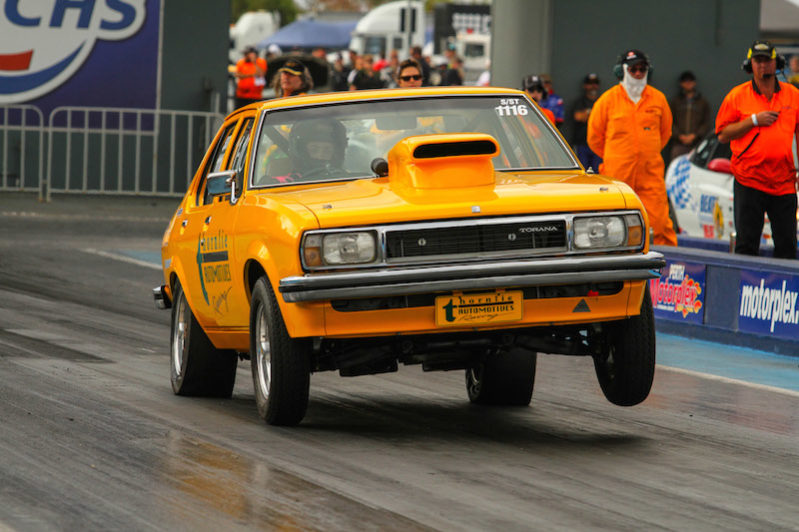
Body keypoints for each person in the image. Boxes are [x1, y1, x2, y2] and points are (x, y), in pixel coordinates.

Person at [716, 40, 799, 259]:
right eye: (758, 61)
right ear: (750, 65)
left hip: (784, 182)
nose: (763, 66)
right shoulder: (737, 96)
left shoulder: (793, 95)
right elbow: (723, 134)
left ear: (776, 63)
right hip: (749, 179)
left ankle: (785, 291)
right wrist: (753, 120)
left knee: (788, 245)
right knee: (746, 244)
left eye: (767, 60)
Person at [587, 49, 677, 246]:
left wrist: (646, 153)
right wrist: (616, 156)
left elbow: (665, 133)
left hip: (650, 174)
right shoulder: (607, 101)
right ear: (623, 71)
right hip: (618, 177)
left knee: (659, 224)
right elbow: (594, 138)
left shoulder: (658, 99)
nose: (638, 73)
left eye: (642, 69)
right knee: (613, 225)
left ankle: (663, 268)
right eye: (633, 69)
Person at [669, 70, 711, 160]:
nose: (688, 83)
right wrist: (679, 136)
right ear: (681, 83)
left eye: (690, 81)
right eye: (685, 81)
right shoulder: (675, 102)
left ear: (694, 83)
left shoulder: (702, 102)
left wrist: (695, 135)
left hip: (697, 144)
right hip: (678, 144)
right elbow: (669, 121)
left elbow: (706, 122)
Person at [570, 73, 602, 171]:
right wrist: (594, 114)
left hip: (598, 144)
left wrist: (588, 113)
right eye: (590, 83)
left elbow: (604, 119)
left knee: (598, 172)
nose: (593, 86)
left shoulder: (602, 101)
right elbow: (578, 117)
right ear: (585, 85)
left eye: (595, 83)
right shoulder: (580, 101)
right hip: (582, 143)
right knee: (582, 172)